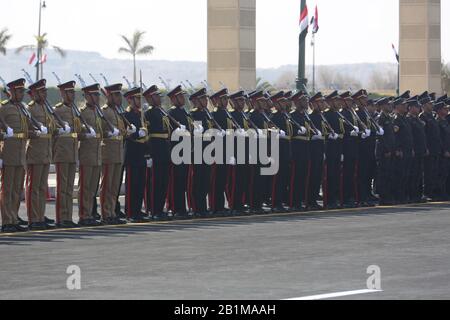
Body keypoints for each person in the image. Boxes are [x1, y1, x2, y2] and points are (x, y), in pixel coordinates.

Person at [25, 79, 57, 230]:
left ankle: (39, 216)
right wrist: (35, 132)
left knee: (41, 188)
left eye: (45, 91)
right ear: (34, 94)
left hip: (45, 153)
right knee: (34, 187)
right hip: (35, 153)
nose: (45, 94)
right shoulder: (30, 109)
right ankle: (33, 218)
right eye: (42, 91)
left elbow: (52, 129)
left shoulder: (46, 109)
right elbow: (24, 131)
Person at [0, 78, 29, 233]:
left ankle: (13, 217)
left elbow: (25, 131)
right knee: (7, 189)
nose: (21, 94)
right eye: (18, 91)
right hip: (9, 154)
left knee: (17, 189)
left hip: (20, 154)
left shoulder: (22, 108)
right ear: (11, 92)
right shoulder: (3, 109)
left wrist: (37, 132)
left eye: (22, 91)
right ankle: (6, 221)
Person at [100, 83, 129, 225]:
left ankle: (112, 211)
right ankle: (106, 213)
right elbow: (100, 131)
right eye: (116, 95)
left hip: (118, 153)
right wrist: (109, 133)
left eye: (119, 95)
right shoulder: (104, 112)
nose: (119, 98)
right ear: (109, 96)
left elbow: (122, 131)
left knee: (114, 186)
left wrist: (127, 132)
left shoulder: (118, 112)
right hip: (108, 153)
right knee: (107, 185)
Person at [53, 80, 81, 228]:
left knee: (70, 187)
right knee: (62, 187)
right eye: (69, 92)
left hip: (72, 152)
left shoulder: (75, 110)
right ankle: (61, 217)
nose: (72, 94)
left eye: (73, 92)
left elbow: (78, 131)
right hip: (62, 153)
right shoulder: (57, 110)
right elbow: (53, 130)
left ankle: (68, 216)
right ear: (62, 94)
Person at [78, 83, 104, 227]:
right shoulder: (82, 112)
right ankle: (84, 215)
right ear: (87, 96)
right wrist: (85, 133)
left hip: (97, 154)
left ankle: (90, 213)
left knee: (93, 188)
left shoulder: (98, 112)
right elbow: (77, 132)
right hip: (87, 154)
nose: (97, 97)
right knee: (85, 188)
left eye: (98, 95)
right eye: (94, 95)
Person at [123, 87, 150, 223]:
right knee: (132, 185)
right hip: (132, 154)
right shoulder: (126, 115)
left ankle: (138, 210)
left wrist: (148, 153)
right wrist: (136, 133)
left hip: (141, 154)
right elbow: (126, 135)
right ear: (129, 100)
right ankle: (130, 211)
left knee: (140, 184)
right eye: (137, 98)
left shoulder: (141, 115)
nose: (140, 101)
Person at [144, 85, 171, 221]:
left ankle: (160, 209)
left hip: (164, 151)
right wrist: (148, 154)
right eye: (156, 96)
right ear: (149, 98)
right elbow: (147, 135)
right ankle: (154, 210)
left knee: (163, 182)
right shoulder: (148, 114)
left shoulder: (161, 111)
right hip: (155, 150)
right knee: (155, 183)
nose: (159, 98)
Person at [167, 85, 192, 219]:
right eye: (180, 96)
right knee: (176, 182)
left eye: (183, 96)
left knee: (183, 182)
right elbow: (169, 133)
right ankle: (175, 207)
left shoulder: (184, 112)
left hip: (186, 150)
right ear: (174, 99)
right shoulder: (171, 113)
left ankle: (182, 208)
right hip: (177, 151)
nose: (183, 98)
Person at [190, 88, 214, 218]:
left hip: (208, 151)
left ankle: (203, 207)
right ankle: (197, 208)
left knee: (206, 181)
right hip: (198, 151)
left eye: (206, 98)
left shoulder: (207, 113)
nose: (206, 101)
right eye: (203, 99)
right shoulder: (194, 114)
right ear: (197, 101)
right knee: (198, 181)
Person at [210, 88, 233, 216]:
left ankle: (220, 205)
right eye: (223, 98)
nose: (226, 101)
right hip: (217, 151)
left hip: (226, 151)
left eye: (227, 98)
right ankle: (215, 206)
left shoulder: (226, 113)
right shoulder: (215, 114)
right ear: (217, 100)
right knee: (216, 181)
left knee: (223, 181)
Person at [269, 91, 291, 212]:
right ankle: (275, 203)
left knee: (283, 179)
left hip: (285, 151)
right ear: (276, 104)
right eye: (281, 101)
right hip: (277, 151)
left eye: (284, 101)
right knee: (276, 180)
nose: (284, 103)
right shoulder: (274, 117)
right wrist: (277, 132)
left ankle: (281, 201)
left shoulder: (285, 116)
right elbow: (269, 130)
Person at [323, 91, 344, 209]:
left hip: (337, 148)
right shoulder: (327, 115)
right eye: (335, 100)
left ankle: (335, 198)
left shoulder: (338, 114)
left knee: (336, 175)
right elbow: (324, 131)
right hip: (330, 148)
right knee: (330, 175)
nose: (338, 102)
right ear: (330, 102)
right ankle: (329, 200)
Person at [288, 91, 310, 211]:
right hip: (297, 150)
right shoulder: (292, 116)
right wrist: (297, 132)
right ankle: (293, 202)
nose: (306, 102)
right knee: (295, 178)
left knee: (303, 177)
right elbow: (289, 133)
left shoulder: (305, 115)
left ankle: (301, 201)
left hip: (306, 150)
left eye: (306, 100)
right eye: (303, 100)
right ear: (296, 102)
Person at [419, 92, 441, 201]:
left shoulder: (432, 117)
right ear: (423, 105)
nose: (431, 105)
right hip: (428, 149)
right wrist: (425, 148)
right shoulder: (422, 117)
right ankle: (426, 192)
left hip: (435, 149)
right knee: (427, 173)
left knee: (434, 172)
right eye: (429, 103)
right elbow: (423, 135)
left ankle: (432, 192)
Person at [392, 98, 414, 204]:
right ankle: (398, 196)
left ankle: (404, 195)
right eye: (403, 105)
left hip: (408, 150)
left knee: (407, 174)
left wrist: (412, 149)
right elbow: (395, 137)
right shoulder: (396, 119)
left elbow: (409, 136)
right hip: (401, 152)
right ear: (397, 107)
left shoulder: (404, 119)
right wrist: (398, 149)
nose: (406, 107)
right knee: (400, 175)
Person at [307, 92, 327, 210]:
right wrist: (313, 136)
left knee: (318, 177)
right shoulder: (311, 117)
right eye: (320, 102)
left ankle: (314, 199)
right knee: (312, 176)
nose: (322, 104)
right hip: (313, 151)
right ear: (313, 104)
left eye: (322, 102)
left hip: (320, 150)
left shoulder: (321, 116)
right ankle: (310, 200)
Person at [375, 98, 396, 206]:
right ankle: (383, 197)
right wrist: (386, 150)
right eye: (388, 105)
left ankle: (389, 196)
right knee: (384, 175)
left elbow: (392, 136)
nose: (390, 106)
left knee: (390, 174)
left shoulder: (390, 118)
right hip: (384, 152)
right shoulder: (381, 118)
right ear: (382, 106)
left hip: (391, 151)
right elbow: (380, 136)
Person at [407, 97, 428, 203]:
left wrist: (425, 148)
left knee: (419, 174)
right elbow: (410, 137)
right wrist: (412, 149)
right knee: (413, 173)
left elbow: (422, 136)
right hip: (414, 150)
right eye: (416, 107)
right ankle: (412, 195)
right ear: (410, 108)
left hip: (420, 150)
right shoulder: (409, 120)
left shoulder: (417, 120)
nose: (418, 109)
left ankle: (418, 195)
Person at [435, 101, 450, 200]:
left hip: (448, 150)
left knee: (446, 173)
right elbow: (438, 138)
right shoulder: (438, 121)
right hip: (443, 152)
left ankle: (446, 192)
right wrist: (444, 150)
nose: (447, 110)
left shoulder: (445, 121)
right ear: (439, 110)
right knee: (441, 173)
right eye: (444, 108)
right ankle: (441, 193)